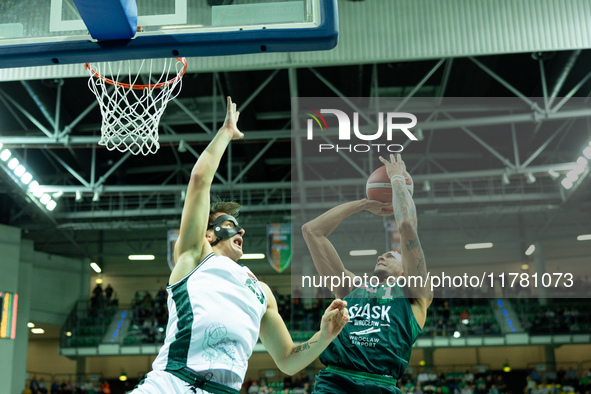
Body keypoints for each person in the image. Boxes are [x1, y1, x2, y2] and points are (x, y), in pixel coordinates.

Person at [131, 97, 349, 394]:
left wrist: (323, 337)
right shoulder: (194, 257)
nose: (241, 229)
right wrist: (226, 133)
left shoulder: (262, 292)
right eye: (228, 223)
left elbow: (287, 361)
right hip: (173, 383)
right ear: (209, 234)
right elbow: (199, 180)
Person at [302, 153, 432, 393]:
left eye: (390, 255)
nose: (381, 256)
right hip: (335, 382)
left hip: (381, 385)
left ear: (406, 269)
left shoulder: (415, 293)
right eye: (380, 255)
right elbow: (311, 231)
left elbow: (406, 227)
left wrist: (397, 181)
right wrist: (362, 204)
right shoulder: (351, 288)